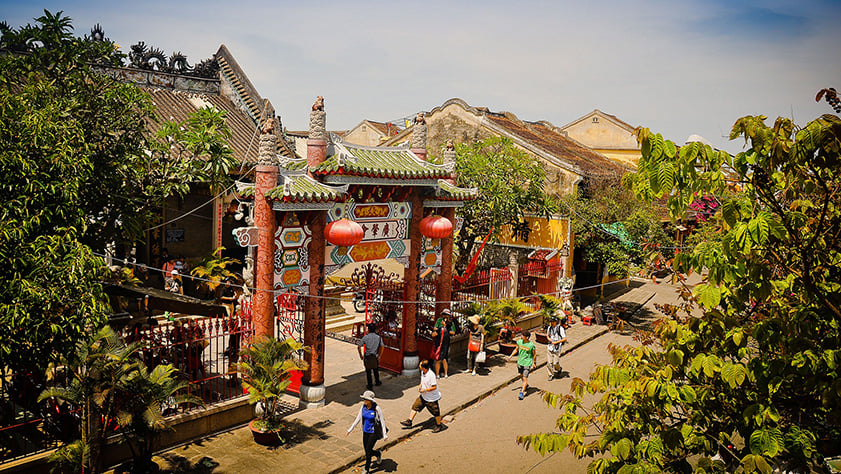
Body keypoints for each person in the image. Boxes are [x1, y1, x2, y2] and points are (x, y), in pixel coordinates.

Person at [347, 390, 388, 474]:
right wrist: (350, 429)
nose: (364, 401)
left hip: (373, 433)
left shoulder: (376, 409)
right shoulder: (363, 407)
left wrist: (384, 434)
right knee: (367, 451)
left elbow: (382, 421)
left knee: (368, 451)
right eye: (364, 399)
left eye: (366, 399)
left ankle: (366, 469)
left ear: (370, 400)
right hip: (365, 432)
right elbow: (358, 419)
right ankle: (377, 453)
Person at [399, 359, 444, 432]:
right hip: (423, 396)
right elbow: (422, 381)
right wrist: (420, 386)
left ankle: (439, 425)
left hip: (431, 398)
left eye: (420, 365)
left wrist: (425, 390)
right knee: (415, 406)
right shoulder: (423, 372)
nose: (419, 366)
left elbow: (434, 387)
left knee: (436, 413)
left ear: (424, 367)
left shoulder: (431, 375)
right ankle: (409, 421)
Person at [508, 329, 536, 400]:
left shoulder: (531, 345)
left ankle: (521, 393)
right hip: (520, 362)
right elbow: (516, 349)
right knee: (521, 375)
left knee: (525, 378)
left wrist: (534, 363)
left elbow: (534, 354)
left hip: (527, 363)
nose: (521, 336)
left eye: (522, 335)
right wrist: (510, 356)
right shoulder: (519, 342)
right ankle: (525, 386)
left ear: (527, 337)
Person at [357, 323, 384, 390]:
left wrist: (361, 355)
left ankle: (370, 385)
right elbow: (382, 347)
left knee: (368, 372)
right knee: (376, 370)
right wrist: (380, 355)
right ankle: (377, 382)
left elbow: (359, 346)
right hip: (375, 357)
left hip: (367, 357)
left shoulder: (365, 337)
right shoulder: (378, 338)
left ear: (368, 330)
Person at [432, 309, 457, 378]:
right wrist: (441, 329)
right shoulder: (439, 320)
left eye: (447, 315)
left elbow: (453, 332)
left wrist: (446, 328)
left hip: (446, 342)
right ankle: (437, 374)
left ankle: (445, 373)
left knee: (444, 358)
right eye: (444, 315)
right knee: (438, 358)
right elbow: (435, 329)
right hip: (438, 341)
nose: (445, 316)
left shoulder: (451, 323)